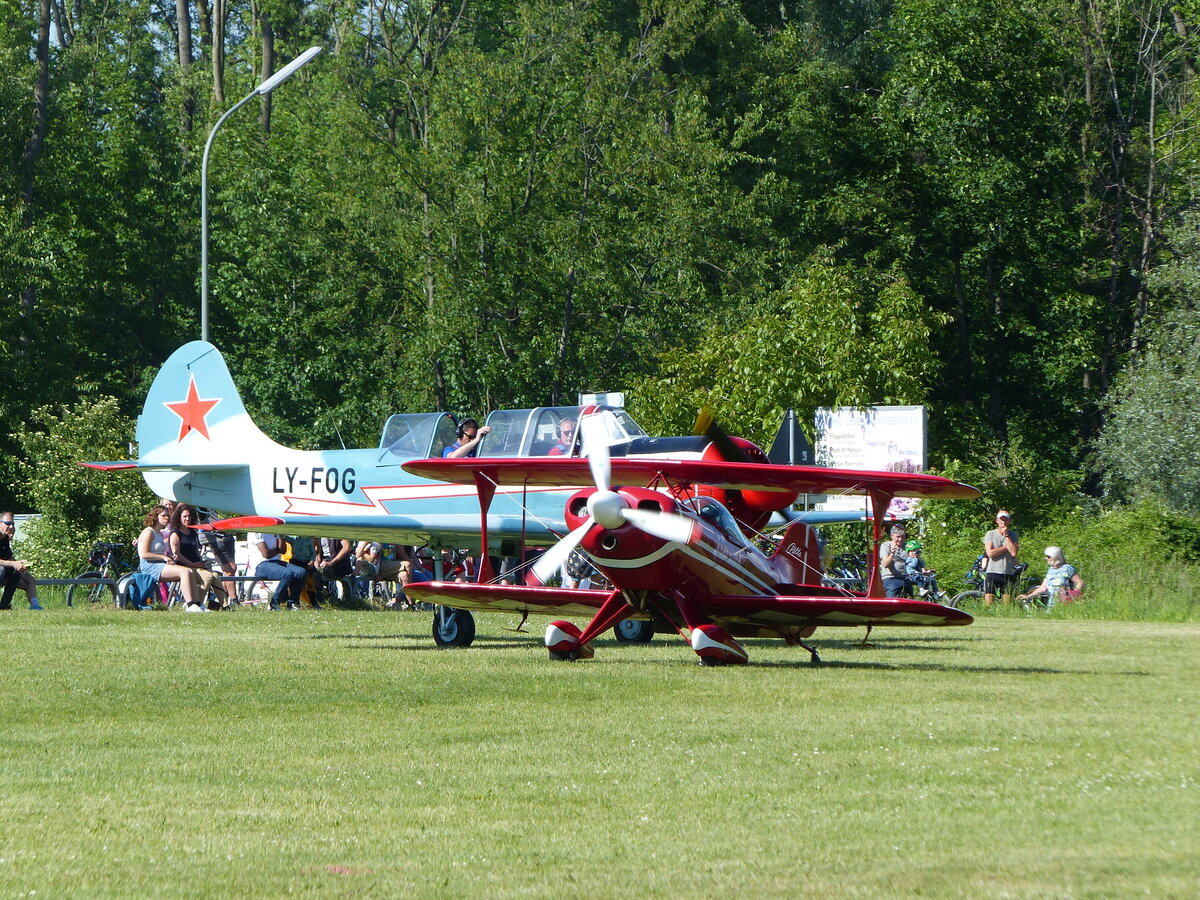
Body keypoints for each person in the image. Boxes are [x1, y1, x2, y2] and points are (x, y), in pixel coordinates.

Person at [137, 504, 203, 611]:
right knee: (184, 572)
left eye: (168, 515)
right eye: (164, 516)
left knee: (189, 571)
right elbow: (144, 554)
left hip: (160, 565)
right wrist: (163, 557)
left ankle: (198, 604)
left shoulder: (159, 534)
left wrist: (169, 557)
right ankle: (190, 605)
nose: (167, 518)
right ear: (155, 517)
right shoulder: (148, 532)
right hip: (149, 566)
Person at [169, 504, 228, 609]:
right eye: (185, 516)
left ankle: (225, 606)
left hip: (196, 565)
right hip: (183, 566)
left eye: (189, 516)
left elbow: (196, 551)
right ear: (179, 517)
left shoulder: (192, 532)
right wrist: (192, 564)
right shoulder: (175, 533)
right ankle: (196, 604)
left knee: (215, 576)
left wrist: (200, 563)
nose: (188, 519)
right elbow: (177, 555)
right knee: (207, 576)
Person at [250, 531, 307, 610]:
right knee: (287, 573)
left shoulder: (274, 530)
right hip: (261, 565)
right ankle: (274, 603)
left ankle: (293, 603)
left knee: (301, 572)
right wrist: (277, 550)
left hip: (276, 562)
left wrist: (281, 537)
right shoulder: (256, 531)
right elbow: (266, 554)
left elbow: (283, 550)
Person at [1018, 546, 1084, 608]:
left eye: (1048, 556)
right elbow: (1043, 588)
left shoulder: (1067, 568)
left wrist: (1073, 595)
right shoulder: (1051, 570)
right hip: (1051, 604)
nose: (1046, 558)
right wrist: (1028, 596)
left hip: (1065, 604)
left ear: (1056, 557)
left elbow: (1080, 582)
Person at [0, 513, 42, 610]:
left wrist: (20, 564)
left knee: (22, 576)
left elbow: (9, 557)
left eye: (13, 524)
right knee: (3, 570)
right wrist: (14, 564)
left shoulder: (4, 538)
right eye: (7, 523)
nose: (11, 527)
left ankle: (4, 606)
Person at [983, 509, 1020, 606]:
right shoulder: (990, 534)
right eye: (1001, 519)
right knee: (989, 603)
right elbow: (990, 553)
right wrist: (1006, 547)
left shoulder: (1013, 535)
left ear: (1009, 521)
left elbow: (1013, 553)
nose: (1003, 522)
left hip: (1007, 572)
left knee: (1007, 603)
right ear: (997, 520)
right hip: (992, 571)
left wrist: (1007, 536)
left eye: (1006, 520)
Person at [878, 523, 910, 598]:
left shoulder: (907, 546)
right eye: (898, 537)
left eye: (902, 537)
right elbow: (885, 564)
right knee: (892, 602)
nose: (900, 539)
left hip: (906, 578)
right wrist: (892, 554)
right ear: (892, 536)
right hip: (891, 578)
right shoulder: (886, 546)